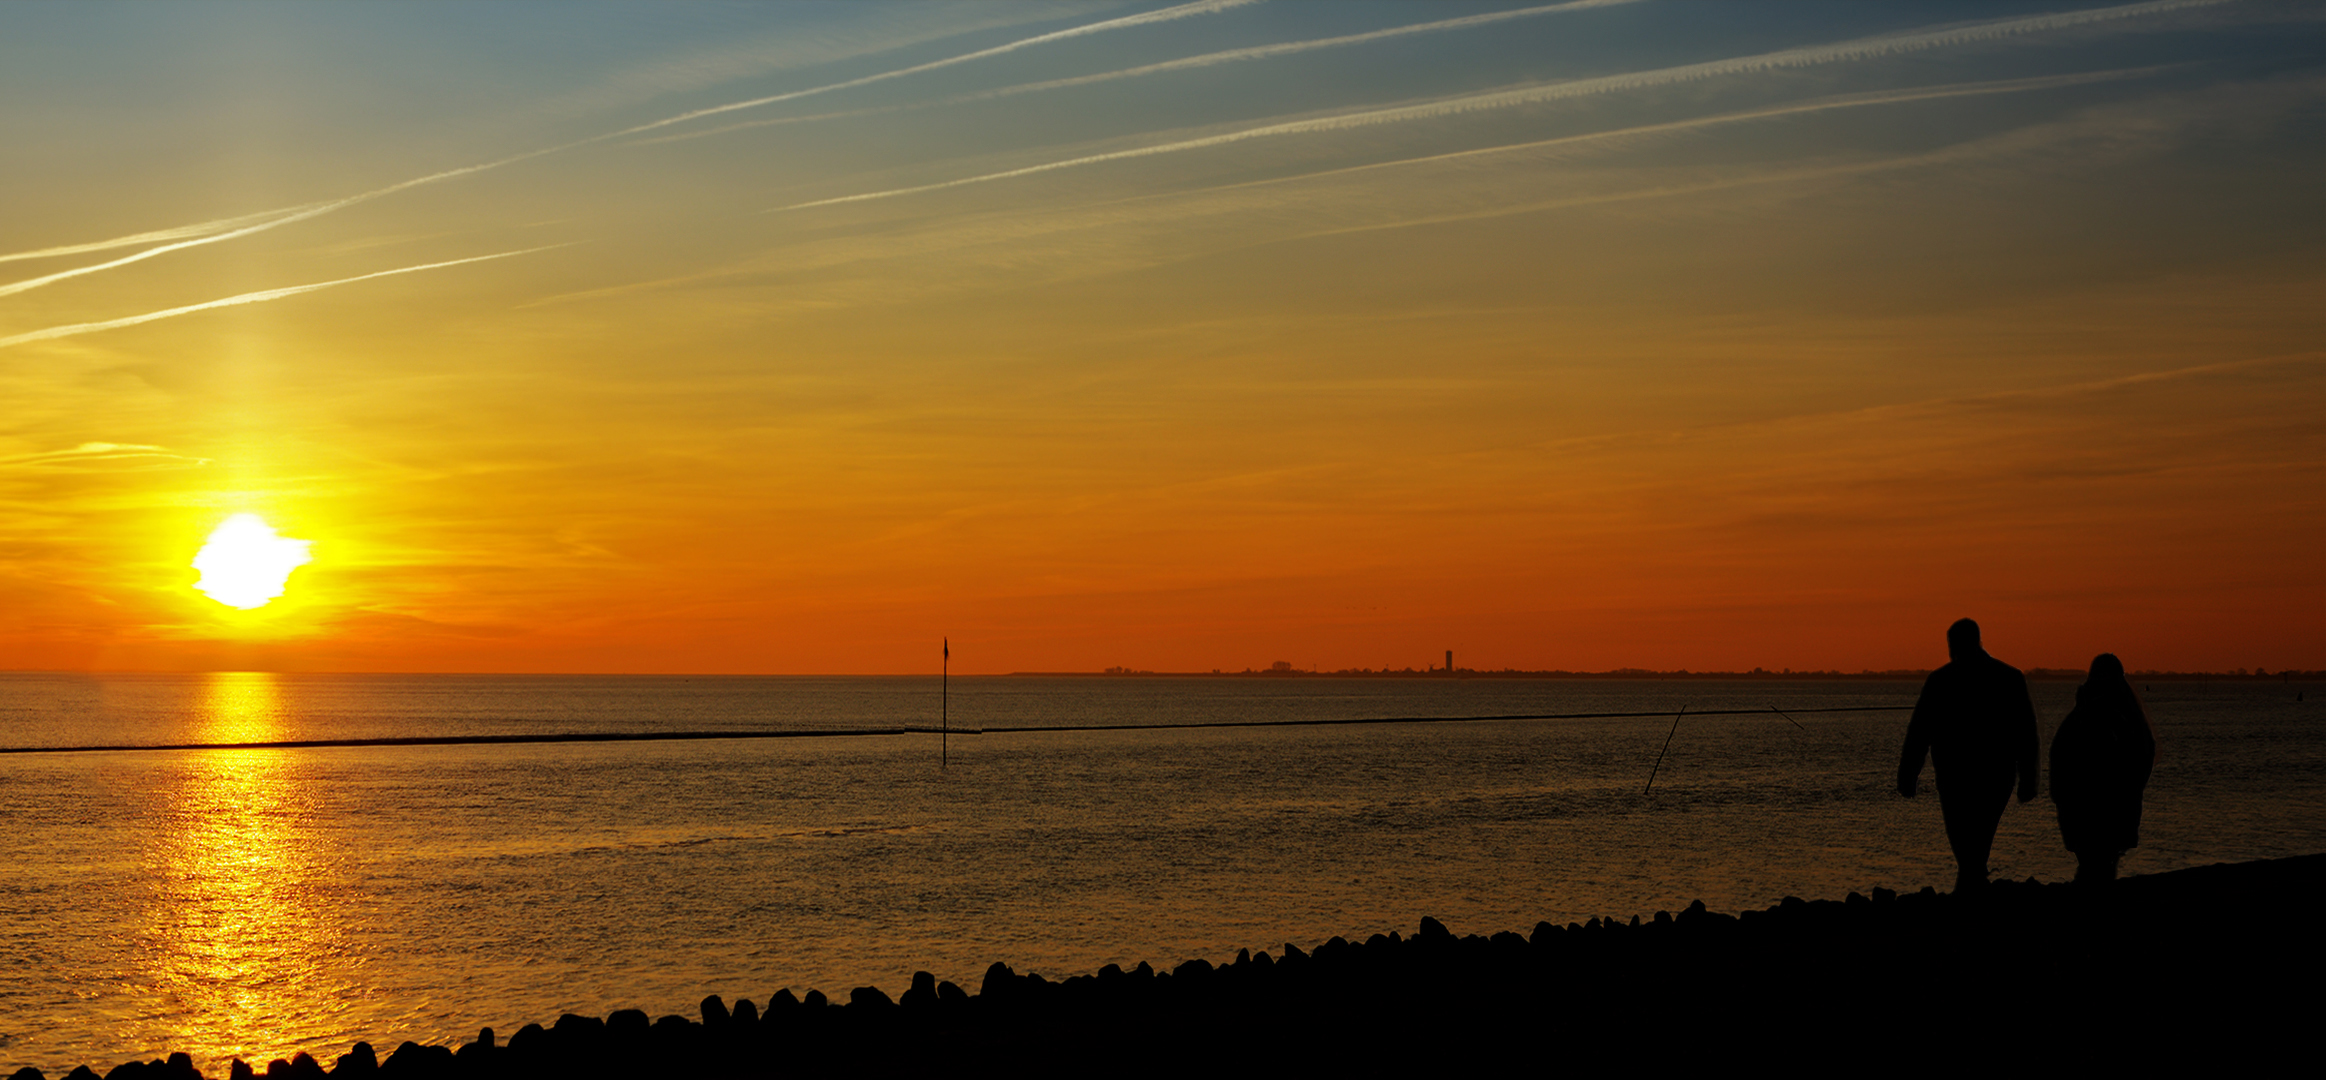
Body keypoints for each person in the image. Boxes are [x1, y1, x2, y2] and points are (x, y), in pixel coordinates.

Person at [1897, 618, 2040, 892]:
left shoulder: (1942, 681)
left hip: (1963, 776)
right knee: (1974, 840)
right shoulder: (2008, 677)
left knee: (1968, 839)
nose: (1951, 651)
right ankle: (1973, 886)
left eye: (1953, 645)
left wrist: (1908, 776)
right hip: (1990, 775)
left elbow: (1919, 733)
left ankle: (1969, 892)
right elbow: (2026, 734)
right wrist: (2028, 779)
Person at [2049, 653, 2157, 884]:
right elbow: (2061, 755)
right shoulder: (2112, 713)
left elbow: (2142, 755)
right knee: (2097, 861)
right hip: (2087, 802)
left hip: (2108, 802)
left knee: (2099, 861)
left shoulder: (2116, 715)